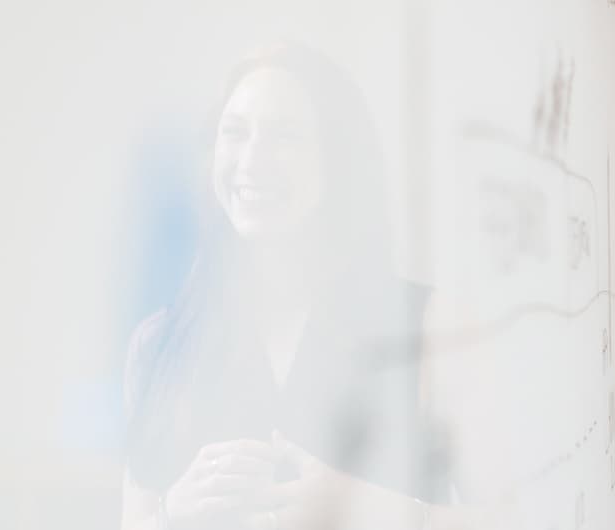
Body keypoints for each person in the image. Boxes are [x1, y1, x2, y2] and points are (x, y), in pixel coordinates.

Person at [120, 43, 436, 530]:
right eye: (234, 132)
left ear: (339, 162)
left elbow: (519, 516)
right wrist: (170, 513)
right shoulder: (158, 345)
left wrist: (374, 510)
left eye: (285, 136)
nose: (251, 160)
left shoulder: (424, 327)